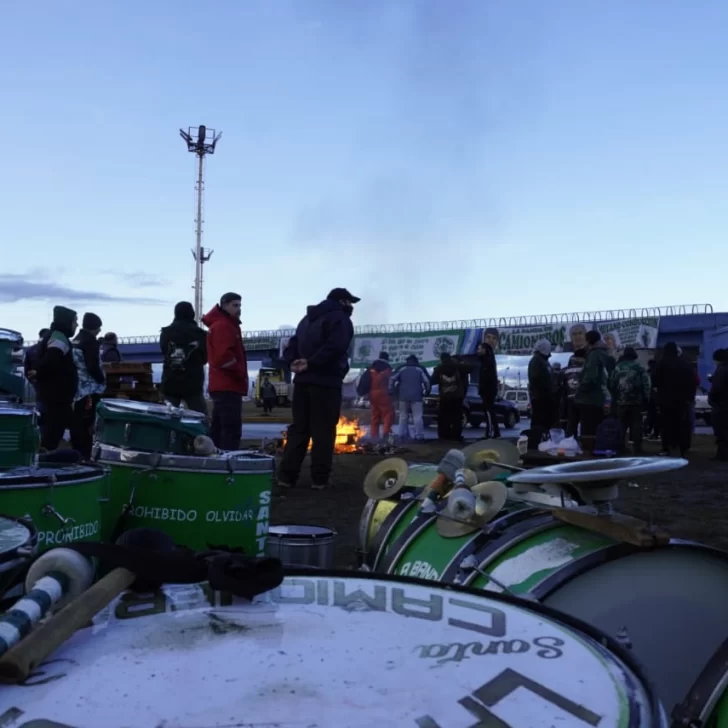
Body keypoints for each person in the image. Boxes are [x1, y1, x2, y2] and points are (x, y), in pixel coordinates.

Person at [278, 288, 359, 489]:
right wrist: (312, 363)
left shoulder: (306, 320)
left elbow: (291, 346)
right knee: (323, 432)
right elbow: (336, 347)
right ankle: (319, 479)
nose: (351, 308)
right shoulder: (340, 319)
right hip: (326, 383)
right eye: (350, 303)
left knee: (299, 430)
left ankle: (286, 477)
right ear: (342, 302)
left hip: (302, 382)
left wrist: (294, 362)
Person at [202, 292, 248, 450]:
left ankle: (217, 460)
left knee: (219, 428)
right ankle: (228, 462)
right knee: (230, 429)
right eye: (235, 305)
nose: (239, 309)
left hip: (223, 385)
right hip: (228, 384)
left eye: (240, 305)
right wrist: (239, 373)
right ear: (224, 305)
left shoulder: (225, 325)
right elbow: (223, 357)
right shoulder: (224, 326)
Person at [34, 306, 78, 451]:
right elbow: (50, 361)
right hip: (56, 399)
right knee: (51, 438)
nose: (76, 325)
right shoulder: (60, 339)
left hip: (53, 397)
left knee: (64, 431)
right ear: (67, 322)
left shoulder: (52, 336)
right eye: (74, 322)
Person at [160, 301, 208, 414]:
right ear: (192, 314)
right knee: (200, 416)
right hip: (193, 382)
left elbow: (164, 352)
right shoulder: (200, 334)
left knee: (168, 417)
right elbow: (205, 358)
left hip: (170, 381)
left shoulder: (166, 332)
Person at [70, 313, 106, 459]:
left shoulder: (75, 341)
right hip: (89, 390)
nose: (99, 331)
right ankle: (86, 456)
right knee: (89, 424)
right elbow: (92, 366)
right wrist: (101, 379)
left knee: (77, 424)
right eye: (98, 328)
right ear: (94, 327)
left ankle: (76, 453)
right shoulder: (90, 342)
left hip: (77, 389)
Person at [654, 341, 696, 457]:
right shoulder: (684, 364)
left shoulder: (661, 363)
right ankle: (683, 447)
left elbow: (655, 381)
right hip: (681, 400)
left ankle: (666, 447)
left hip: (665, 399)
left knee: (666, 424)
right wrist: (689, 397)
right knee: (681, 424)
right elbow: (692, 382)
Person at [608, 346, 650, 454]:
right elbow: (647, 384)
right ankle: (637, 448)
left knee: (622, 425)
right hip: (636, 402)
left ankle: (621, 448)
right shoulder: (639, 367)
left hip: (621, 402)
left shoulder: (618, 368)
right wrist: (646, 397)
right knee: (636, 425)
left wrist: (616, 396)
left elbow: (611, 384)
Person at [574, 330, 615, 438]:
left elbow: (590, 377)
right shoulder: (604, 353)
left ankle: (588, 451)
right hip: (601, 397)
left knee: (588, 430)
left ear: (588, 341)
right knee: (597, 428)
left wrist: (581, 389)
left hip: (589, 398)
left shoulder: (593, 354)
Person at [390, 354, 431, 441]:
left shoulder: (401, 368)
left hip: (403, 396)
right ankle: (419, 436)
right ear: (416, 361)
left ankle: (401, 435)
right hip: (417, 396)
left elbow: (392, 378)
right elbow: (427, 381)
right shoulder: (420, 369)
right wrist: (427, 391)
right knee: (417, 416)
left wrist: (392, 390)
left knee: (403, 416)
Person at [357, 351, 393, 440]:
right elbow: (391, 382)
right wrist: (392, 393)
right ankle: (386, 434)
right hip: (383, 394)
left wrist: (362, 393)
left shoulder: (371, 368)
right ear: (387, 359)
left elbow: (364, 381)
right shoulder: (387, 368)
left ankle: (374, 436)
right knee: (388, 414)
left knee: (375, 416)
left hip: (372, 394)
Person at [432, 353, 465, 442]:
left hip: (445, 396)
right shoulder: (457, 366)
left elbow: (433, 380)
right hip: (457, 396)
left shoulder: (439, 368)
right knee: (457, 417)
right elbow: (470, 369)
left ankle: (444, 435)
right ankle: (456, 435)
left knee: (443, 417)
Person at [527, 339, 555, 435]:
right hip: (540, 398)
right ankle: (537, 439)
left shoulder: (544, 361)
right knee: (539, 422)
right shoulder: (536, 360)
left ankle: (543, 438)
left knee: (545, 422)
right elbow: (535, 379)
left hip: (546, 398)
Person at [476, 342, 500, 438]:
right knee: (490, 412)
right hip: (487, 391)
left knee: (489, 412)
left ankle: (489, 433)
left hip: (488, 391)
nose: (478, 351)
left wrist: (483, 390)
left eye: (479, 348)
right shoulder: (486, 361)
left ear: (485, 350)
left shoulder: (488, 362)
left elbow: (488, 379)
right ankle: (495, 432)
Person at [709, 349, 728, 461]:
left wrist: (712, 400)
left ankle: (722, 455)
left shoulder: (721, 370)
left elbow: (717, 389)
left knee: (721, 431)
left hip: (721, 406)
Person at [563, 349, 587, 437]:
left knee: (572, 422)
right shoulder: (586, 368)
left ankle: (571, 442)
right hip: (584, 399)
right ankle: (584, 444)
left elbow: (562, 387)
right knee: (585, 423)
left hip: (570, 399)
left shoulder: (566, 370)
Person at [645, 359, 660, 440]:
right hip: (658, 397)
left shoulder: (649, 372)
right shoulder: (659, 372)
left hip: (651, 397)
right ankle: (656, 433)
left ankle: (648, 431)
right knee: (657, 416)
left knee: (650, 416)